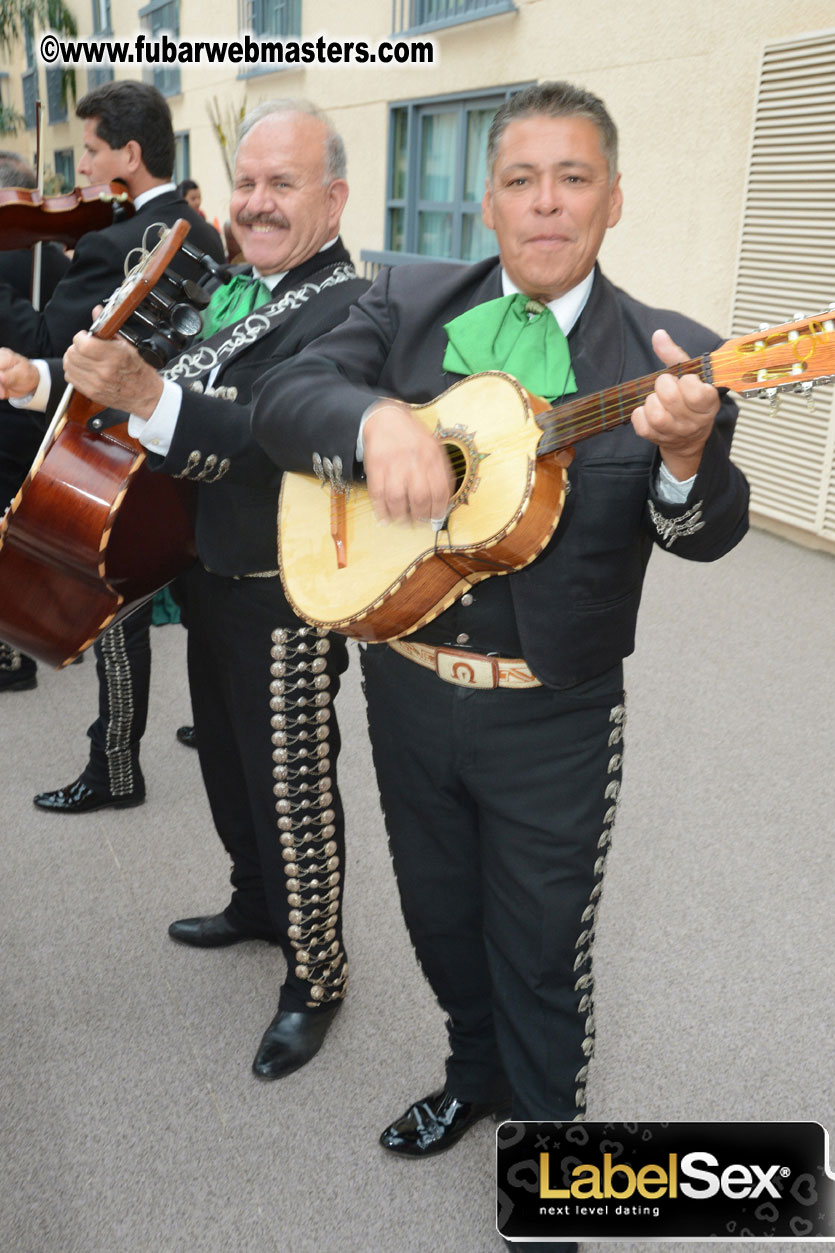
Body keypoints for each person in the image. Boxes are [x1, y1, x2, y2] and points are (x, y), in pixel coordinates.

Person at [250, 81, 749, 1247]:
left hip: (553, 715)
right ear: (486, 203)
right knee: (436, 918)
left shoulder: (671, 355)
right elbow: (285, 397)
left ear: (612, 200)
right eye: (519, 179)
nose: (544, 203)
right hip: (405, 685)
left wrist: (682, 460)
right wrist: (374, 423)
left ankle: (552, 1165)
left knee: (538, 952)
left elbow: (707, 530)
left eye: (571, 178)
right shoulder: (406, 300)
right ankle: (471, 1077)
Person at [1, 98, 368, 1079]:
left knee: (292, 781)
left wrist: (147, 394)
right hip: (206, 563)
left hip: (287, 586)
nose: (255, 202)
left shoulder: (353, 308)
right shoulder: (232, 287)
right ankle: (256, 901)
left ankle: (317, 973)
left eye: (280, 183)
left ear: (332, 197)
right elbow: (156, 370)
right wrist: (38, 380)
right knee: (229, 764)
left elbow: (272, 428)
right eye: (244, 181)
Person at [0, 80, 224, 806]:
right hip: (192, 442)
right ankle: (216, 726)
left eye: (92, 152)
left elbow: (43, 342)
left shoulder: (110, 240)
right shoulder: (202, 229)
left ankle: (115, 769)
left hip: (117, 457)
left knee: (117, 613)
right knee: (201, 601)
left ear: (129, 153)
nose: (82, 173)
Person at [0, 152, 70, 691]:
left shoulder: (10, 260)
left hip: (15, 407)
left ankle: (13, 655)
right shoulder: (55, 257)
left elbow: (36, 338)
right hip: (48, 412)